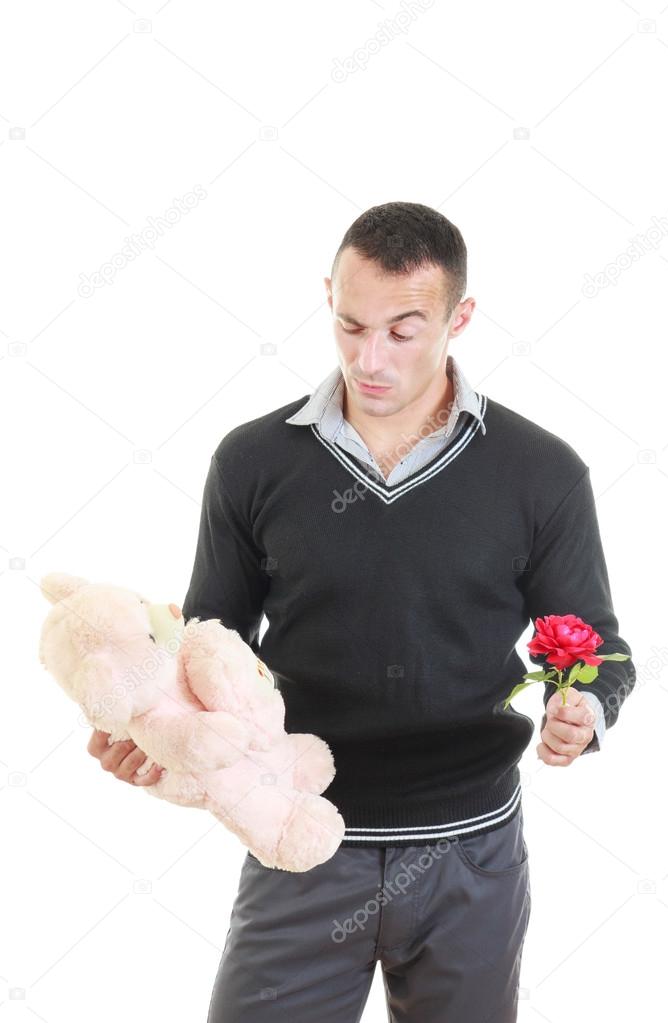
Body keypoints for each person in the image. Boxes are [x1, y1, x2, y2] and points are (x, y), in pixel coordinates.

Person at [88, 202, 635, 1022]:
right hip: (296, 834)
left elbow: (605, 649)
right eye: (349, 324)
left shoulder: (541, 471)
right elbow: (213, 647)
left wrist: (584, 708)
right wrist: (159, 732)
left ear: (462, 317)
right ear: (329, 298)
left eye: (403, 330)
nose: (368, 357)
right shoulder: (252, 461)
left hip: (471, 853)